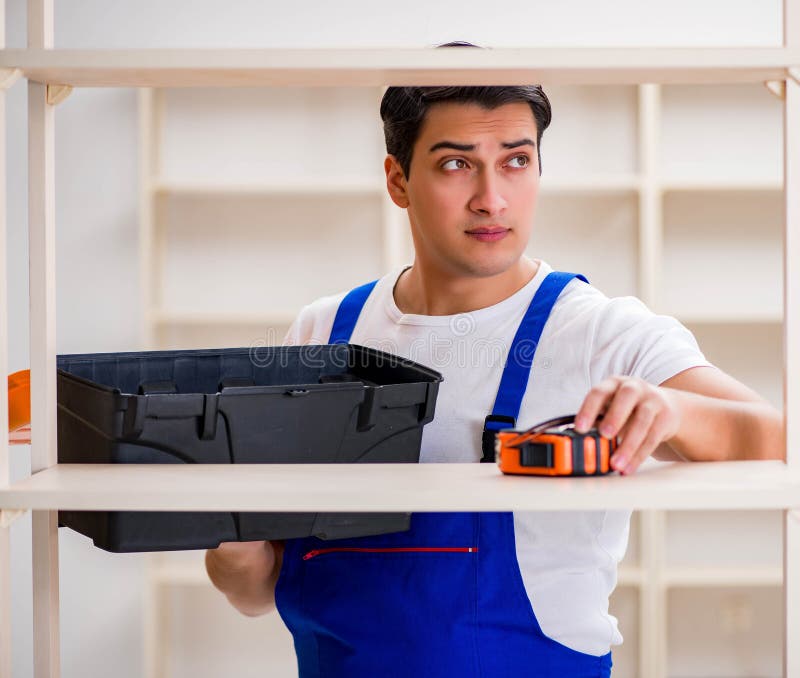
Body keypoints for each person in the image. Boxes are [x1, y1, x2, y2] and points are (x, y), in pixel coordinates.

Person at [205, 46, 784, 677]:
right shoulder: (323, 333)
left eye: (516, 161)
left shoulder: (600, 333)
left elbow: (778, 440)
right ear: (398, 179)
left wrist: (673, 411)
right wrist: (229, 536)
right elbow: (256, 590)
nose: (492, 199)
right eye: (457, 163)